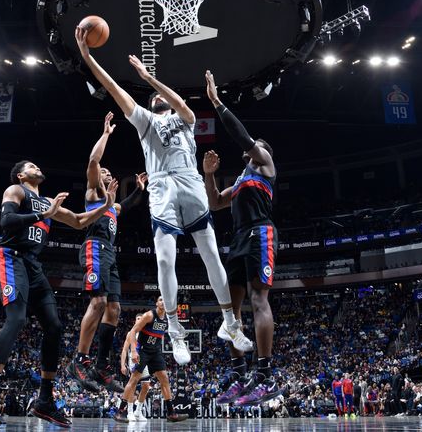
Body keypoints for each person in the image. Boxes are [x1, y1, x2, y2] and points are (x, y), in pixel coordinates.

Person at [75, 27, 252, 365]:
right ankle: (174, 330)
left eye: (162, 97)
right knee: (165, 260)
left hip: (190, 182)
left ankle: (230, 323)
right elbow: (113, 88)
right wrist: (87, 57)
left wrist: (149, 77)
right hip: (161, 187)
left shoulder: (185, 120)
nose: (159, 100)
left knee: (212, 256)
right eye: (154, 98)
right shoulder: (143, 121)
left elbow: (183, 105)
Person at [0, 160, 118, 427]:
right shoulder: (15, 191)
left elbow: (78, 221)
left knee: (55, 326)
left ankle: (45, 401)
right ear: (21, 174)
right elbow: (7, 221)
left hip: (34, 266)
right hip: (11, 258)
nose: (38, 168)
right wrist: (45, 213)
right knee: (16, 319)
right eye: (32, 166)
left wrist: (106, 207)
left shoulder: (49, 201)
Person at [203, 70, 279, 406]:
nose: (253, 146)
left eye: (257, 144)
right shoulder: (241, 177)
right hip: (237, 238)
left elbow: (243, 135)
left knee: (258, 300)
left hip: (261, 231)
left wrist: (218, 103)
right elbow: (216, 202)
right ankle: (238, 372)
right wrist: (208, 175)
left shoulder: (265, 165)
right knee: (230, 313)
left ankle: (263, 372)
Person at [70, 112, 148, 393]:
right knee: (99, 302)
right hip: (94, 248)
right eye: (104, 173)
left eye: (108, 173)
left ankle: (102, 366)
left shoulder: (112, 206)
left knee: (114, 309)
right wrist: (105, 134)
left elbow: (128, 204)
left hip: (110, 254)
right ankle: (79, 359)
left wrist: (140, 189)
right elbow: (93, 161)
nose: (106, 173)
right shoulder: (94, 194)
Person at [114, 296, 188, 423]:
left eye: (165, 299)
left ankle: (171, 413)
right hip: (143, 351)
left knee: (164, 379)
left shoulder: (168, 319)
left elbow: (173, 331)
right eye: (160, 299)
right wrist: (133, 351)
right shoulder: (149, 315)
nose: (163, 301)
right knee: (133, 380)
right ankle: (120, 412)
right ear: (156, 303)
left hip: (155, 352)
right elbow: (133, 331)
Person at [119, 313, 152, 422]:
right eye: (138, 319)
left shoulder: (147, 333)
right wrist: (122, 364)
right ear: (135, 321)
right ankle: (129, 412)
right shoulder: (131, 333)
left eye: (141, 319)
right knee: (132, 385)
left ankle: (138, 411)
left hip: (145, 361)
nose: (139, 320)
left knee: (146, 386)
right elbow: (124, 350)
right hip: (133, 361)